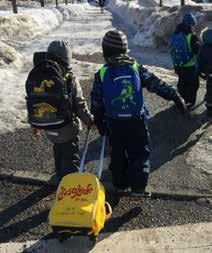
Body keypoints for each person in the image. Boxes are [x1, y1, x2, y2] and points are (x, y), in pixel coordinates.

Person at [90, 30, 187, 197]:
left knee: (117, 152)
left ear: (105, 51)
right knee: (139, 152)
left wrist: (99, 121)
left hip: (114, 122)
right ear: (125, 49)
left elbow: (96, 101)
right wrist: (175, 96)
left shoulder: (102, 73)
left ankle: (120, 185)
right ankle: (138, 188)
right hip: (137, 121)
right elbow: (155, 83)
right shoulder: (135, 67)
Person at [28, 40, 94, 183]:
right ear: (66, 58)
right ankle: (71, 185)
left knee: (58, 151)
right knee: (71, 157)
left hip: (48, 125)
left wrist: (35, 125)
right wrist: (89, 121)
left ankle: (60, 178)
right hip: (67, 128)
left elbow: (35, 100)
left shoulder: (39, 73)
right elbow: (79, 104)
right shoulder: (69, 77)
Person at [171, 13, 200, 109]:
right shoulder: (192, 36)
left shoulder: (176, 34)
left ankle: (181, 101)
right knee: (193, 85)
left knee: (182, 83)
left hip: (178, 65)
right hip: (190, 66)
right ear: (191, 24)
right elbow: (197, 51)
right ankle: (189, 103)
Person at [199, 28, 212, 117]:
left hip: (209, 72)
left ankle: (210, 108)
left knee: (210, 87)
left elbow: (200, 61)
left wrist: (200, 72)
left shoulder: (203, 48)